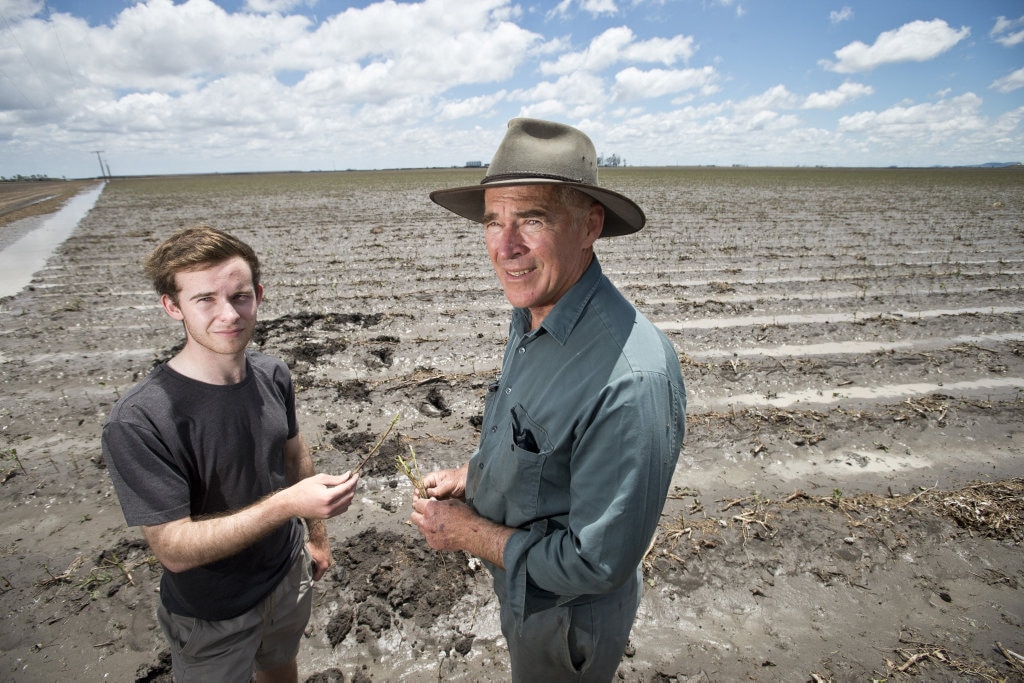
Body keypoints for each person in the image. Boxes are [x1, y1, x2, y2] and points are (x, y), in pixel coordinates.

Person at [410, 118, 686, 681]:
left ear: (589, 226)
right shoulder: (534, 310)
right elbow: (544, 444)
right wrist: (475, 478)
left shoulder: (630, 380)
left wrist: (466, 532)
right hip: (524, 594)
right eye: (493, 221)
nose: (505, 246)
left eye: (530, 219)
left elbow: (595, 562)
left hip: (565, 621)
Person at [101, 226, 359, 682]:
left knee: (281, 668)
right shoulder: (140, 420)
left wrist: (316, 537)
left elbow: (294, 455)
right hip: (212, 616)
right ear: (172, 306)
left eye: (239, 296)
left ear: (258, 295)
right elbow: (174, 550)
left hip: (286, 578)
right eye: (204, 300)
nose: (229, 314)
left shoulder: (272, 374)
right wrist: (288, 505)